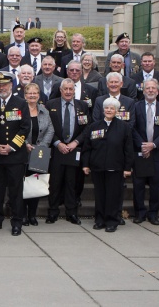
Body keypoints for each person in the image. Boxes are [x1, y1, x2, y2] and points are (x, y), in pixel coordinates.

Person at [0, 71, 31, 236]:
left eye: (4, 84)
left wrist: (11, 146)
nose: (1, 87)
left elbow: (25, 128)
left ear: (11, 84)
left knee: (15, 190)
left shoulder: (21, 103)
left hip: (15, 155)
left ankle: (17, 221)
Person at [82, 97, 134, 232]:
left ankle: (112, 221)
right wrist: (85, 165)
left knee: (113, 195)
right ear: (103, 110)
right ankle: (100, 220)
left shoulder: (124, 127)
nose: (109, 110)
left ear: (116, 111)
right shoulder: (94, 126)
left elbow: (128, 149)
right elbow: (87, 147)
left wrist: (127, 168)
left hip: (116, 167)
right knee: (99, 195)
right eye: (106, 108)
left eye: (112, 108)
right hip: (98, 167)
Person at [45, 79, 90, 224]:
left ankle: (71, 212)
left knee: (72, 182)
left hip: (74, 149)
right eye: (66, 89)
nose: (69, 92)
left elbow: (86, 128)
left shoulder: (82, 105)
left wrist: (75, 142)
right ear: (61, 90)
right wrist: (58, 143)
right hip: (56, 149)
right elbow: (47, 127)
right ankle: (53, 212)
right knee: (55, 182)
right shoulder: (51, 104)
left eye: (71, 89)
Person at [131, 79, 159, 225]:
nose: (150, 90)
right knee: (139, 184)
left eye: (153, 88)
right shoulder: (135, 107)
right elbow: (132, 128)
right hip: (140, 152)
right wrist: (143, 146)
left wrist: (153, 145)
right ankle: (139, 212)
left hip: (157, 152)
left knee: (155, 185)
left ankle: (153, 213)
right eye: (148, 88)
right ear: (143, 90)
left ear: (158, 91)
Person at [22, 83, 53, 226]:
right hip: (23, 152)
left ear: (39, 95)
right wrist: (25, 145)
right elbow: (17, 129)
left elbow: (50, 130)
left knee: (34, 185)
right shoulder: (20, 110)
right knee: (22, 185)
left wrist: (41, 147)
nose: (32, 96)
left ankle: (32, 215)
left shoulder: (44, 111)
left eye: (35, 93)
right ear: (25, 95)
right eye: (30, 93)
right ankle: (21, 214)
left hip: (39, 154)